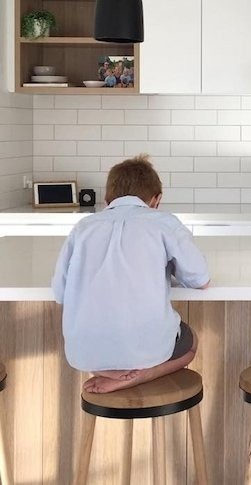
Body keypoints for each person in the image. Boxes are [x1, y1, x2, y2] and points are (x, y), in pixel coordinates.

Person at [52, 155, 210, 394]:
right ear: (156, 200)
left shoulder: (83, 227)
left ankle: (108, 370)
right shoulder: (163, 223)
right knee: (191, 343)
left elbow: (60, 293)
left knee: (104, 345)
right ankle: (138, 376)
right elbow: (201, 279)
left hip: (83, 355)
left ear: (107, 200)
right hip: (146, 352)